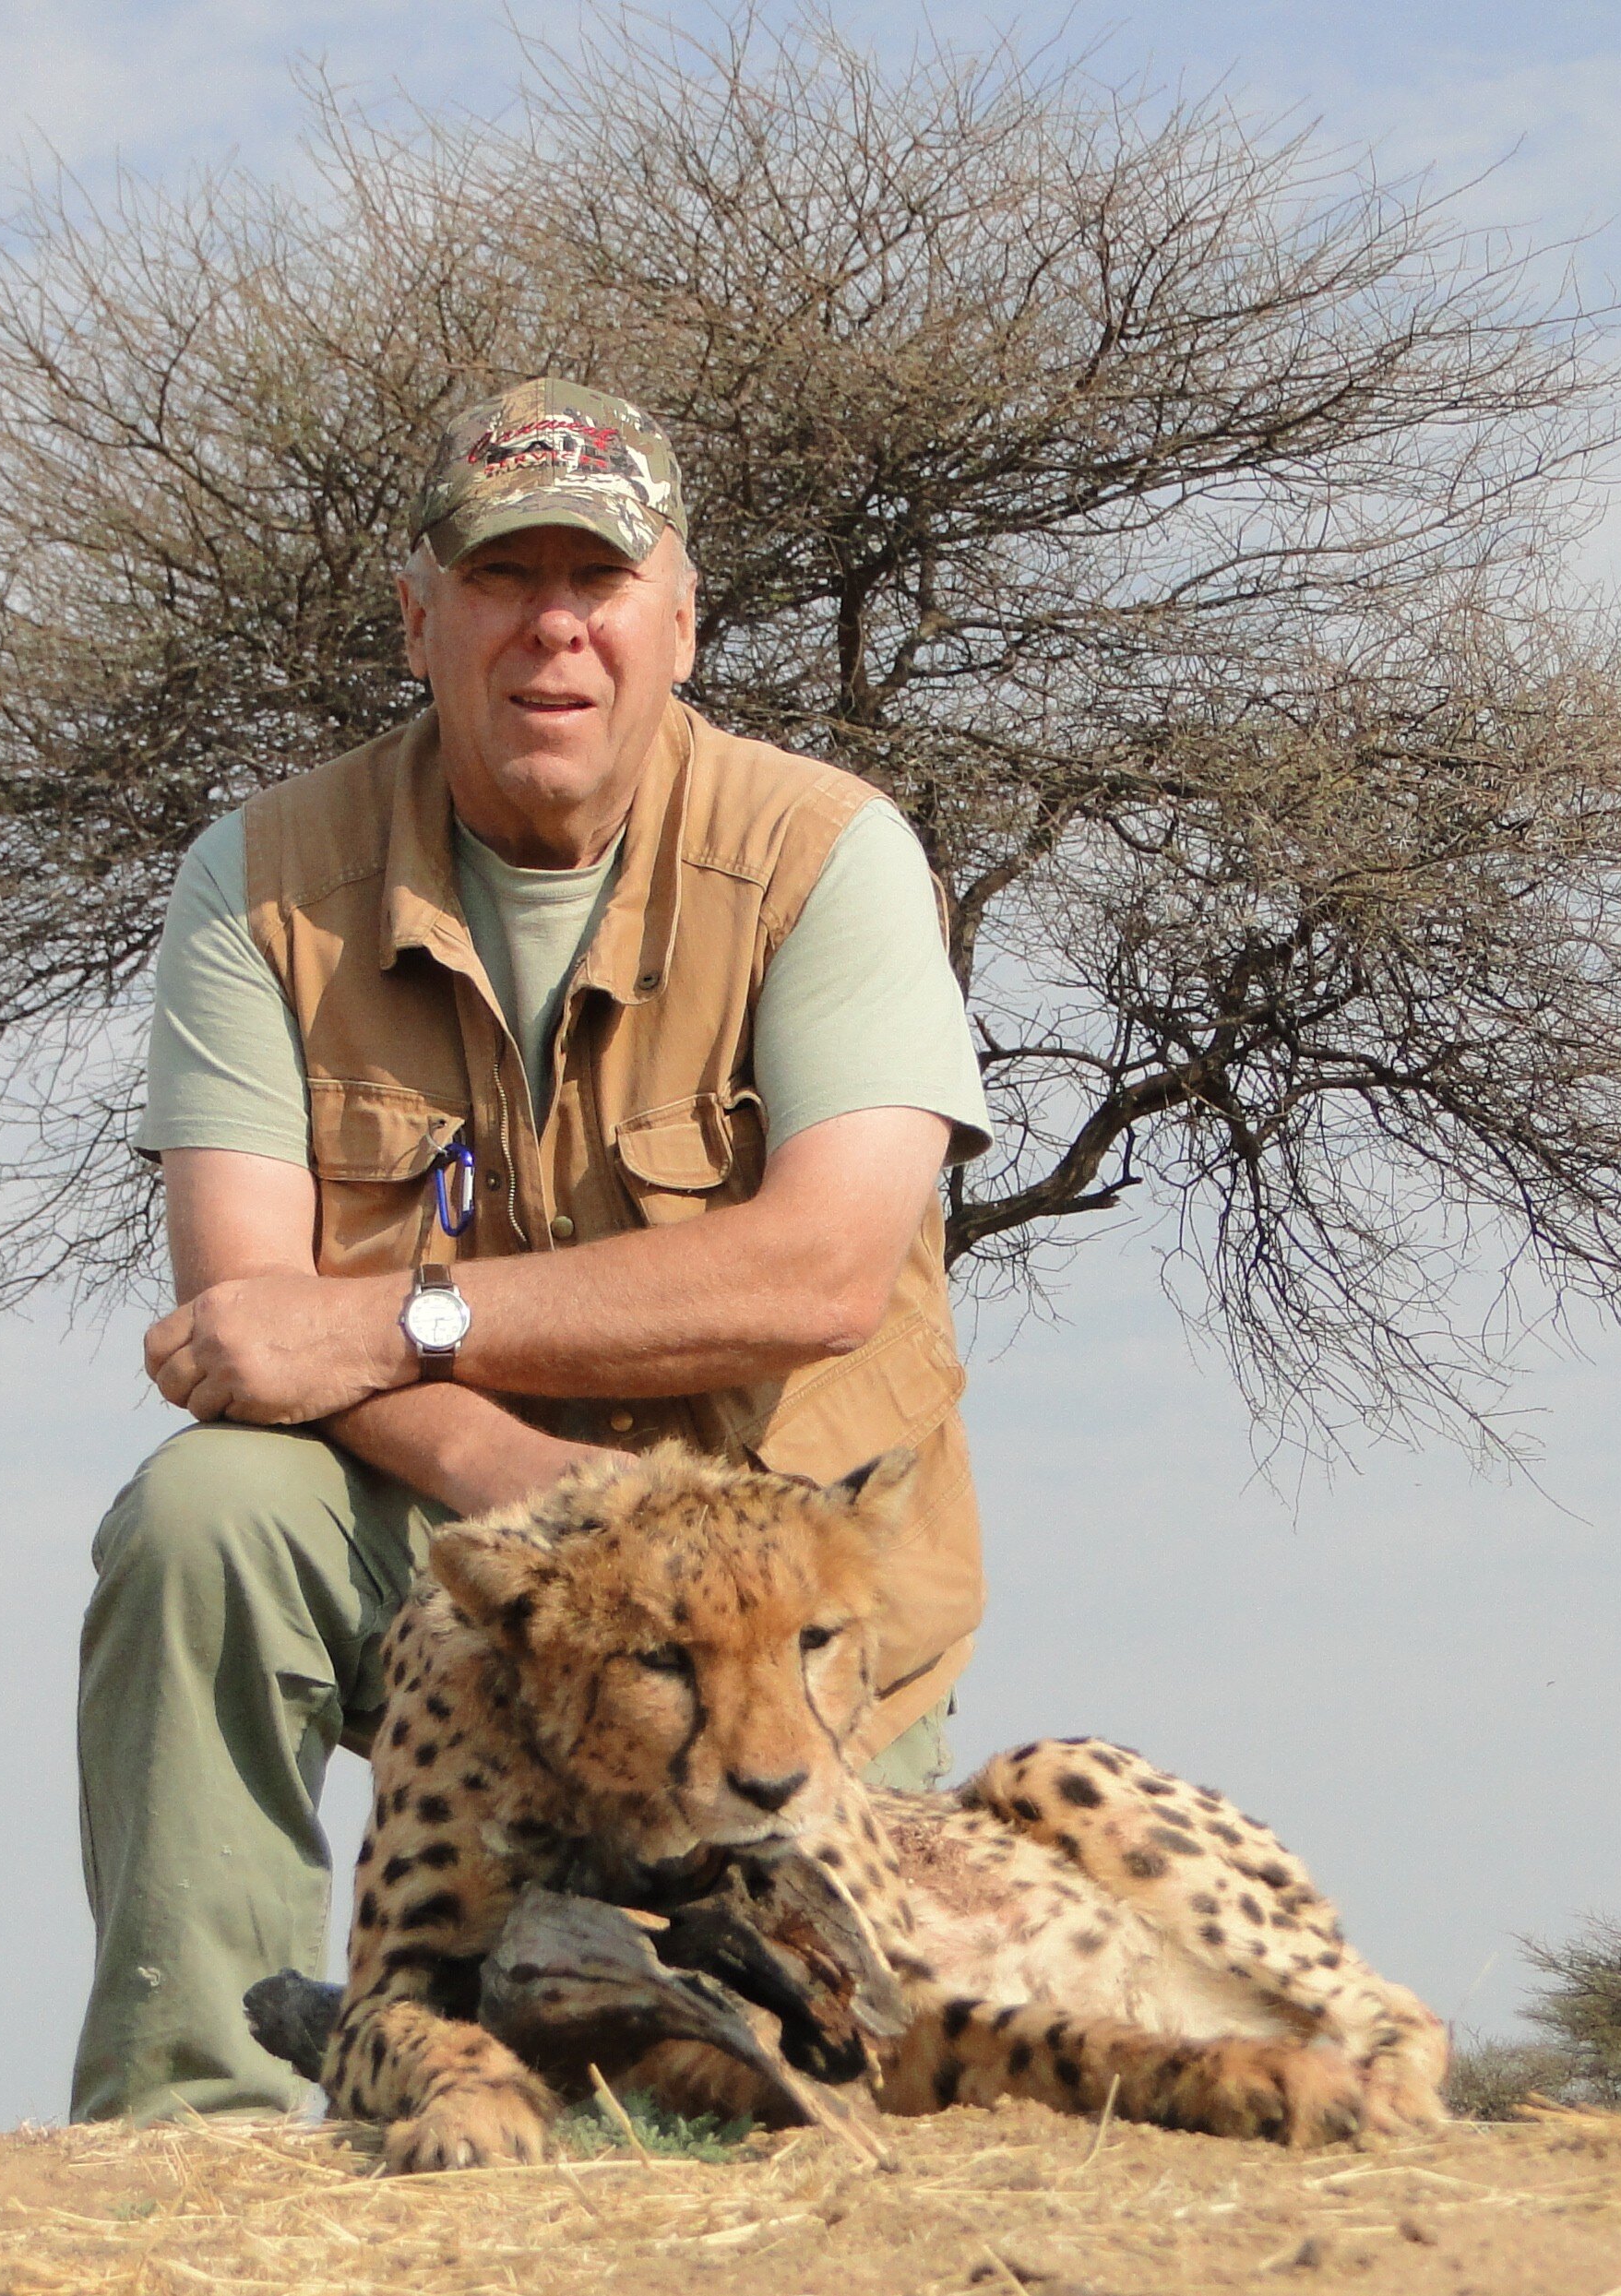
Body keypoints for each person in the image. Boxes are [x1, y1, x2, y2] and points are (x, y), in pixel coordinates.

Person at [69, 378, 996, 2124]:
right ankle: (182, 2118)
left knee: (781, 2090)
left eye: (600, 579)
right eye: (503, 582)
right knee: (205, 1514)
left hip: (780, 1624)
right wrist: (530, 1496)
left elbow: (820, 1276)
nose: (553, 627)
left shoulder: (834, 854)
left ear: (682, 616)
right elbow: (251, 1333)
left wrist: (404, 1322)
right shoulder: (255, 877)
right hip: (463, 1562)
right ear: (422, 617)